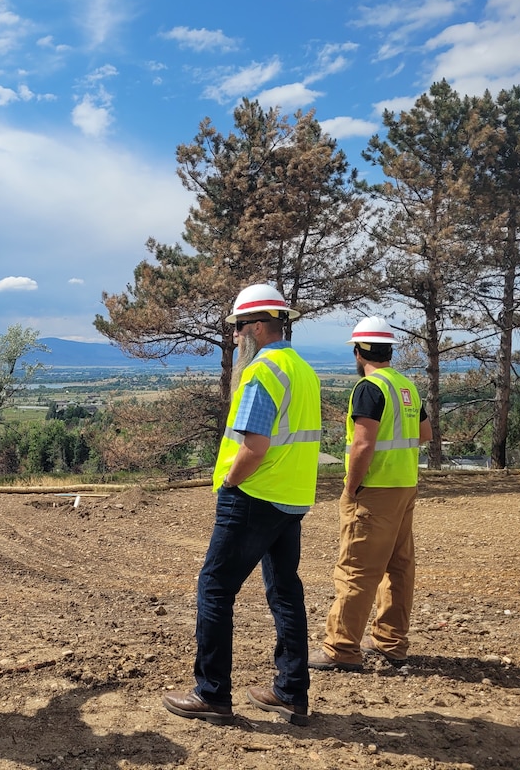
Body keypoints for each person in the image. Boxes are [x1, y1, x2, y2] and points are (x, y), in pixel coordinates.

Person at [163, 284, 321, 727]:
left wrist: (231, 481)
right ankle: (291, 693)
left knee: (214, 588)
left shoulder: (261, 372)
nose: (234, 338)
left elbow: (253, 446)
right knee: (285, 592)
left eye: (236, 329)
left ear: (253, 327)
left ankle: (212, 694)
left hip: (254, 496)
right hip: (291, 499)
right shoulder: (303, 369)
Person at [309, 316, 432, 672]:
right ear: (389, 349)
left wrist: (351, 487)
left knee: (356, 569)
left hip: (374, 490)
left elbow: (362, 445)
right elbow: (425, 434)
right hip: (404, 487)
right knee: (399, 567)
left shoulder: (369, 388)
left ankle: (341, 648)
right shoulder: (406, 386)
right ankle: (391, 642)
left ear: (360, 351)